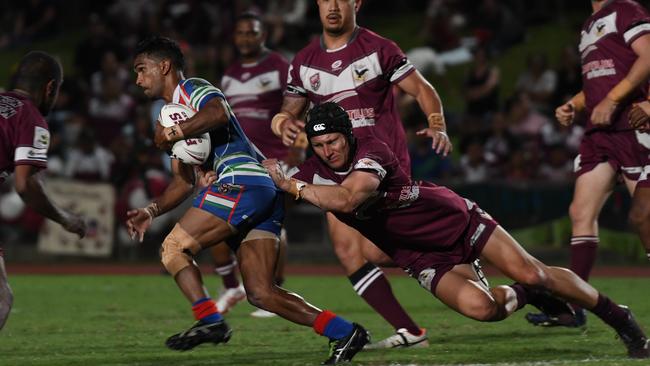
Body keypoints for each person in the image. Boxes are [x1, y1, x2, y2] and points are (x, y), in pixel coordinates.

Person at [264, 102, 650, 359]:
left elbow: (348, 199)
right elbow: (271, 180)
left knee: (536, 270)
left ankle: (621, 319)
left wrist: (293, 186)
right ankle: (525, 294)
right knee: (483, 309)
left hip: (454, 221)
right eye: (318, 145)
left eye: (332, 141)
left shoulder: (371, 149)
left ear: (347, 133)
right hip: (417, 254)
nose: (328, 150)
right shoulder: (313, 169)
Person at [126, 36, 368, 364]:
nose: (138, 79)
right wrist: (151, 210)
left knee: (173, 248)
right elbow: (183, 182)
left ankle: (210, 320)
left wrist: (172, 135)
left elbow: (219, 112)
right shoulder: (172, 115)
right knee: (261, 293)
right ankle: (344, 332)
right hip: (263, 190)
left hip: (242, 182)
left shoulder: (192, 89)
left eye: (142, 70)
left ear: (164, 66)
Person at [272, 0, 451, 349]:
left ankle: (466, 248)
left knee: (381, 251)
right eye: (326, 0)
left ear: (357, 3)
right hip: (335, 167)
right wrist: (283, 123)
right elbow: (287, 110)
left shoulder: (379, 48)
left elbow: (422, 89)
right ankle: (411, 332)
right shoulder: (304, 60)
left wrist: (437, 124)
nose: (333, 6)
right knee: (347, 251)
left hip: (379, 166)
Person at [527, 0, 650, 328]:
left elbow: (648, 57)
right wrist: (574, 103)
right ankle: (574, 306)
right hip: (599, 133)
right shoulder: (590, 23)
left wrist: (613, 99)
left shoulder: (626, 9)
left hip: (630, 124)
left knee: (645, 218)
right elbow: (598, 82)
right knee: (580, 214)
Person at [211, 12, 299, 318]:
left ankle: (275, 287)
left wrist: (296, 147)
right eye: (241, 33)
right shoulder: (230, 74)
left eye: (252, 33)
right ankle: (240, 285)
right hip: (241, 161)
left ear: (263, 35)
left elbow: (298, 106)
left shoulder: (278, 66)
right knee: (227, 221)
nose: (246, 38)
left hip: (276, 157)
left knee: (274, 223)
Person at [0, 51, 87, 330]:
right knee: (1, 298)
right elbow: (25, 184)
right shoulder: (31, 117)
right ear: (50, 87)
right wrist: (65, 218)